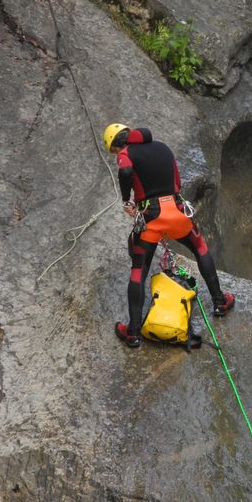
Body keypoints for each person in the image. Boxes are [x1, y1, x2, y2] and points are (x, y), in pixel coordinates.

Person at [103, 123, 235, 348]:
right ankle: (220, 302)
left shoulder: (126, 154)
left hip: (151, 218)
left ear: (116, 144)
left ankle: (133, 332)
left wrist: (127, 199)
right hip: (176, 210)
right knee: (200, 248)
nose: (117, 154)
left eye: (114, 150)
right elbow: (177, 182)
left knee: (139, 268)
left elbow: (125, 170)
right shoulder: (163, 148)